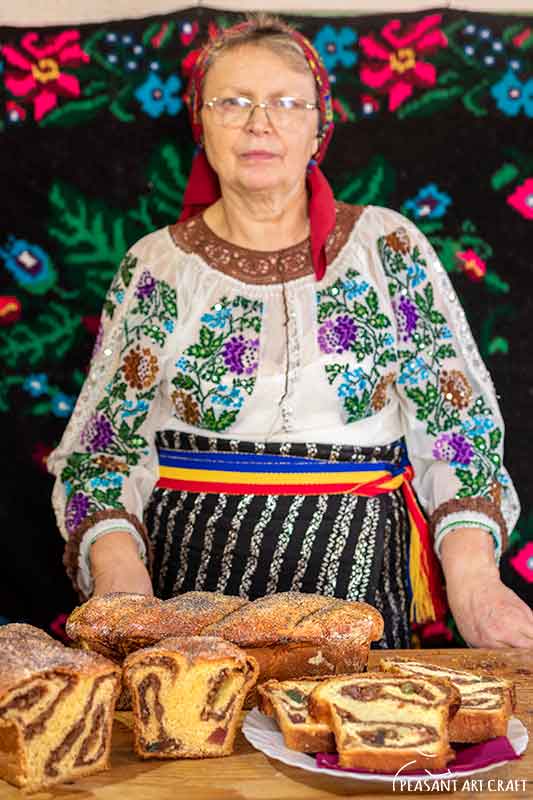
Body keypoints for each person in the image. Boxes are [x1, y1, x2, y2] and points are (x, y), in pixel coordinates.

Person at [48, 13, 533, 650]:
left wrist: (475, 588)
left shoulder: (387, 248)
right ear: (201, 123)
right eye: (233, 102)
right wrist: (127, 597)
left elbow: (458, 435)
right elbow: (100, 456)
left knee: (359, 744)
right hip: (193, 595)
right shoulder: (157, 268)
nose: (259, 122)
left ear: (317, 125)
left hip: (360, 586)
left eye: (284, 102)